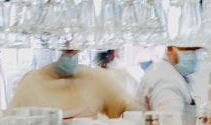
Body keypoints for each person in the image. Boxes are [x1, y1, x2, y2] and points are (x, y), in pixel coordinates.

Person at [8, 49, 140, 119]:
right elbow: (11, 122)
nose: (69, 52)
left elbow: (131, 109)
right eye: (65, 48)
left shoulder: (96, 79)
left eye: (73, 49)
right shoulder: (32, 82)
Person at [136, 45, 205, 125]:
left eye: (195, 50)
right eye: (188, 49)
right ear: (170, 49)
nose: (193, 54)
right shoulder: (166, 79)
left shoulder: (171, 72)